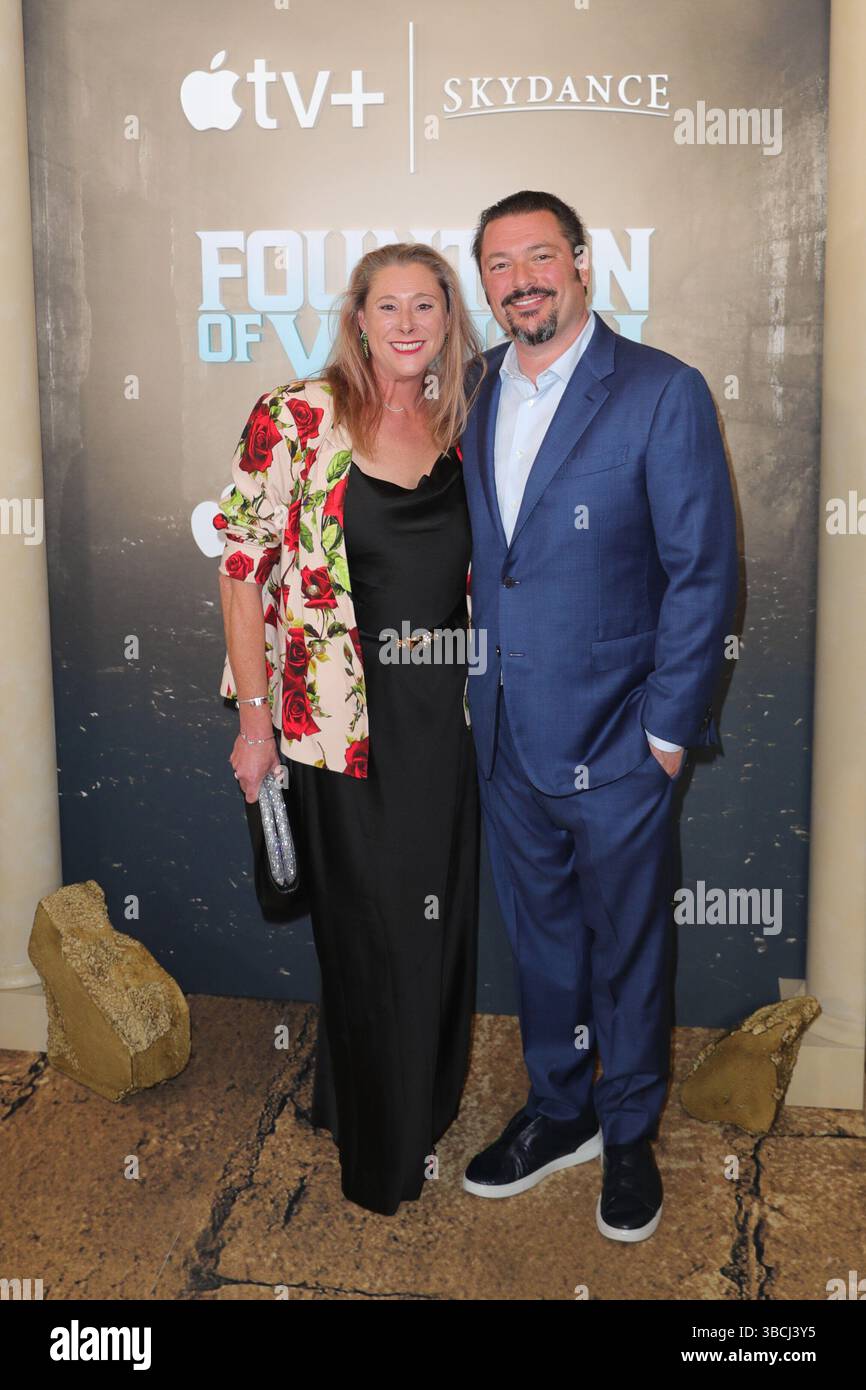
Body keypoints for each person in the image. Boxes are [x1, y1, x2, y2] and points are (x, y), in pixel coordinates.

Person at [459, 190, 738, 1241]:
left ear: (580, 264)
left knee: (625, 946)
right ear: (482, 281)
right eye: (498, 263)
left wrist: (662, 736)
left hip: (621, 741)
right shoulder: (474, 383)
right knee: (540, 944)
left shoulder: (659, 393)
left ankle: (626, 1134)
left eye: (540, 255)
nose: (520, 277)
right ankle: (559, 1108)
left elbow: (701, 574)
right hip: (505, 734)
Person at [215, 243, 486, 1215]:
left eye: (427, 305)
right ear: (357, 318)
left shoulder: (465, 421)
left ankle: (373, 1097)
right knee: (367, 936)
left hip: (443, 723)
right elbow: (240, 567)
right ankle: (381, 1157)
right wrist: (253, 722)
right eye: (388, 305)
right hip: (337, 728)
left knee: (431, 931)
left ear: (448, 319)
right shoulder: (296, 415)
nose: (407, 323)